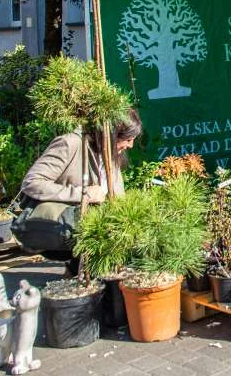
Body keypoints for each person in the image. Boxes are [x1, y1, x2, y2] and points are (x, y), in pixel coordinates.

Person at [20, 108, 142, 275]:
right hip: (65, 226)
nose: (130, 145)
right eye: (127, 139)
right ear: (110, 134)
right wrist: (83, 193)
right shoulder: (70, 144)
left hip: (98, 233)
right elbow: (32, 182)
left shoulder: (112, 153)